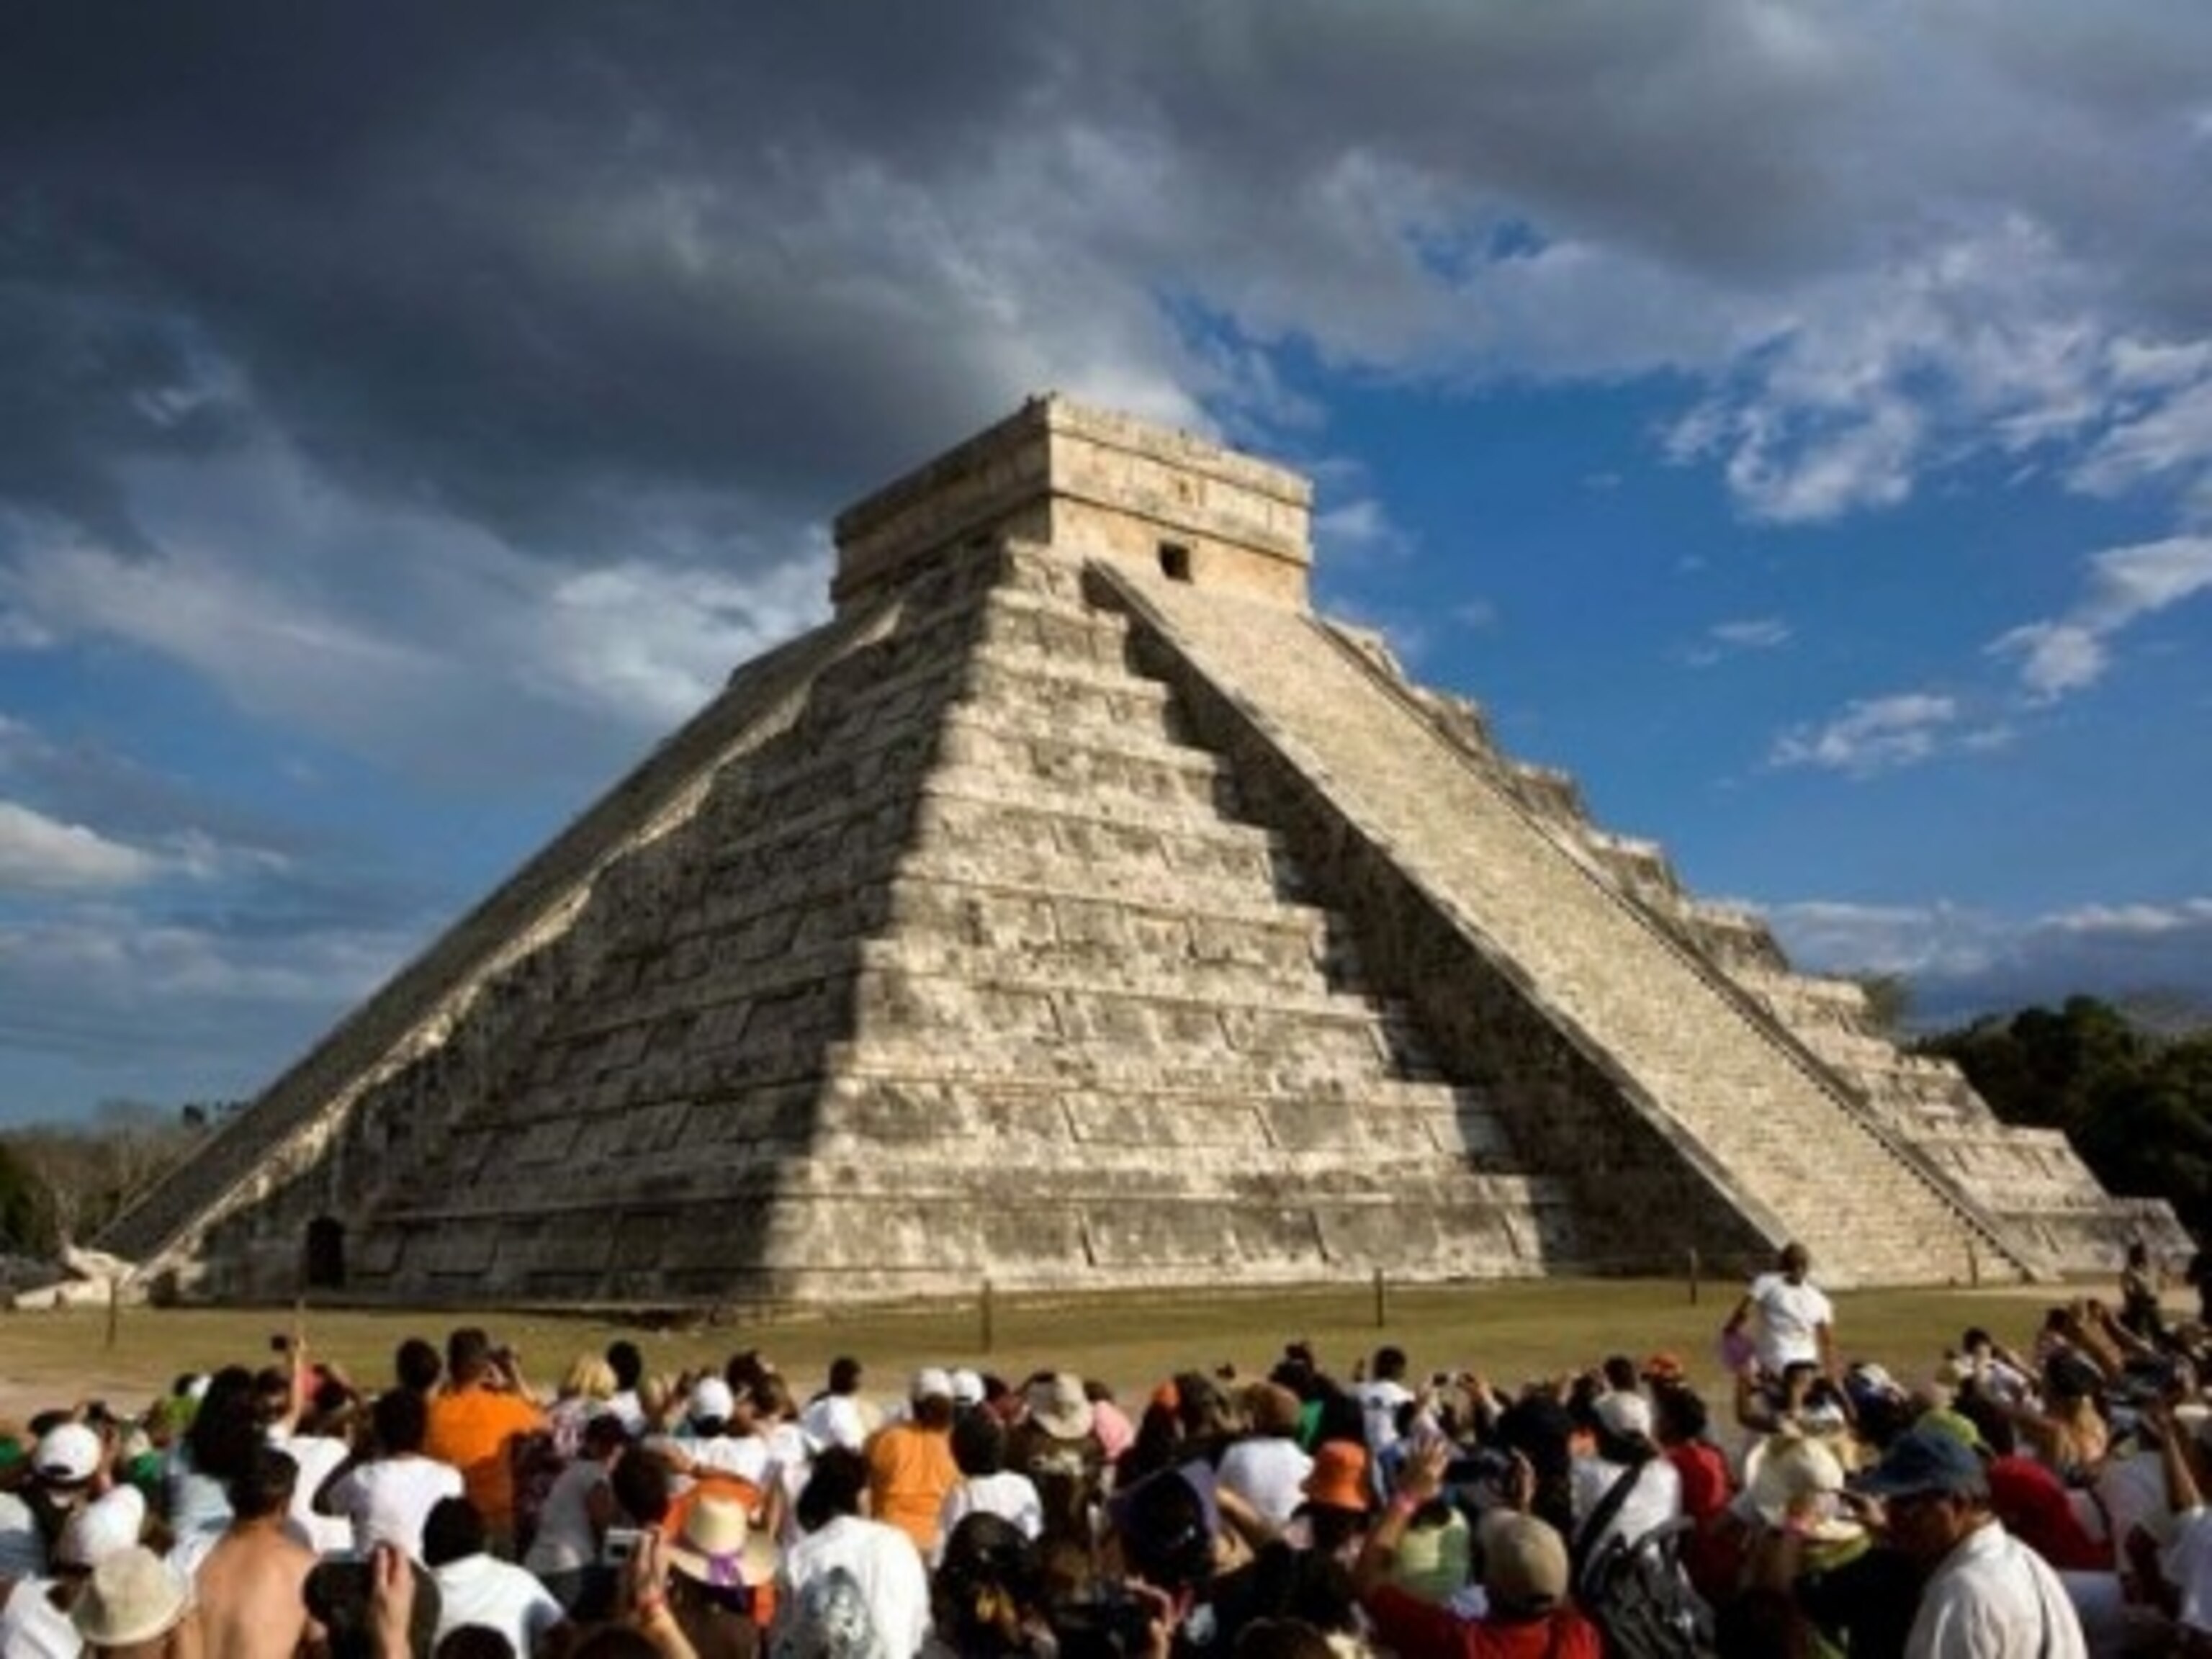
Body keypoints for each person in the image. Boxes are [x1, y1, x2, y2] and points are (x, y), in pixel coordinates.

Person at [1352, 1437, 1600, 1657]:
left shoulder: (1462, 1645)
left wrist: (1408, 1494)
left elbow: (1368, 1581)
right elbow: (1543, 1581)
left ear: (1489, 1586)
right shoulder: (1580, 1640)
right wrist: (1522, 1518)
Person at [1856, 1424, 2086, 1658]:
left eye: (1908, 1506)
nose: (1893, 1518)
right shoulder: (2021, 1558)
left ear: (1958, 1504)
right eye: (1890, 1504)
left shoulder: (1961, 1594)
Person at [192, 1445, 323, 1659]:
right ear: (285, 1505)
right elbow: (322, 1647)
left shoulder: (193, 1555)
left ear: (232, 1498)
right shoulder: (304, 1568)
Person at [425, 1330, 547, 1552]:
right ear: (484, 1367)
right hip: (495, 1521)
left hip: (446, 1523)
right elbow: (543, 1421)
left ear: (450, 1365)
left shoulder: (433, 1411)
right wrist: (510, 1378)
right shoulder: (504, 1407)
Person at [1725, 1243, 1839, 1390]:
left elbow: (1743, 1312)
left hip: (1774, 1359)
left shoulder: (1766, 1282)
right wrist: (1831, 1371)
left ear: (1782, 1264)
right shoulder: (1820, 1299)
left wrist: (1731, 1329)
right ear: (1807, 1267)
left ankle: (1749, 1390)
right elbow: (1828, 1342)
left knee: (1739, 1351)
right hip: (1809, 1361)